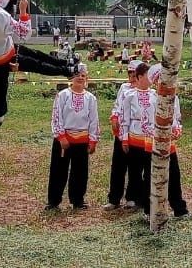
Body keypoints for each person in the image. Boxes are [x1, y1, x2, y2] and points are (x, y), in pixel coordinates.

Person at [47, 65, 99, 211]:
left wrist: (93, 140)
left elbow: (94, 120)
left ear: (87, 78)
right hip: (64, 140)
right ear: (71, 77)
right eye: (77, 74)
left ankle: (78, 200)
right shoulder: (63, 95)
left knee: (80, 172)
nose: (80, 78)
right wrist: (61, 136)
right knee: (58, 170)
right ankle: (53, 201)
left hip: (82, 139)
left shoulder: (91, 99)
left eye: (83, 75)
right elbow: (57, 116)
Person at [147, 64, 188, 217]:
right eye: (161, 80)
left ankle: (179, 208)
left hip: (169, 144)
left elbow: (176, 118)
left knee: (174, 175)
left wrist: (177, 129)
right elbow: (147, 123)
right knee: (152, 177)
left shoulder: (174, 98)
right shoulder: (150, 99)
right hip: (153, 144)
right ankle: (149, 209)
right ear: (155, 81)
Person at [103, 61, 141, 210]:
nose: (131, 77)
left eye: (134, 74)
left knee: (135, 166)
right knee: (118, 166)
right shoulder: (124, 88)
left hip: (136, 133)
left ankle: (132, 197)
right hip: (122, 131)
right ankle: (114, 198)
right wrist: (114, 118)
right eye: (129, 74)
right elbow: (117, 105)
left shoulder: (145, 90)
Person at [119, 63, 156, 213]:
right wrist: (124, 138)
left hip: (149, 138)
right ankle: (133, 198)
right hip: (134, 137)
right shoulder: (129, 96)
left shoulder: (155, 95)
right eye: (148, 75)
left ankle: (147, 201)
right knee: (135, 171)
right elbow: (124, 118)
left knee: (149, 171)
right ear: (140, 77)